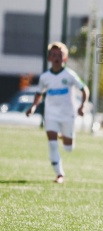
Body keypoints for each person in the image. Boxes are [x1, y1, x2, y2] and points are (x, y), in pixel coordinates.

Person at [26, 42, 89, 183]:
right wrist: (33, 107)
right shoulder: (45, 77)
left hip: (68, 113)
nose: (56, 58)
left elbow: (84, 89)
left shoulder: (70, 75)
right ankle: (59, 174)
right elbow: (39, 93)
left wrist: (82, 106)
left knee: (68, 148)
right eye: (53, 55)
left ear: (65, 58)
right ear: (49, 58)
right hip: (51, 114)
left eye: (60, 55)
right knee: (52, 143)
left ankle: (65, 137)